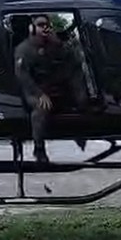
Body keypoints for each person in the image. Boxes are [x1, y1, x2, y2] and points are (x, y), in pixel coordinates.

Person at [14, 14, 88, 163]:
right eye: (40, 25)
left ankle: (80, 133)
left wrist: (65, 44)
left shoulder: (54, 45)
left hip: (53, 86)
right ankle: (39, 148)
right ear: (32, 28)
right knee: (41, 109)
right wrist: (39, 94)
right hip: (34, 89)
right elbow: (23, 76)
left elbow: (70, 60)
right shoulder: (24, 49)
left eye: (47, 25)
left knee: (82, 100)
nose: (45, 28)